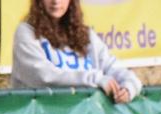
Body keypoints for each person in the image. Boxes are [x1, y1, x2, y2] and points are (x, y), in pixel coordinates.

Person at [11, 0, 140, 104]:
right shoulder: (26, 32)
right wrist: (95, 79)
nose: (56, 1)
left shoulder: (85, 35)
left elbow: (114, 67)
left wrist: (128, 88)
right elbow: (43, 76)